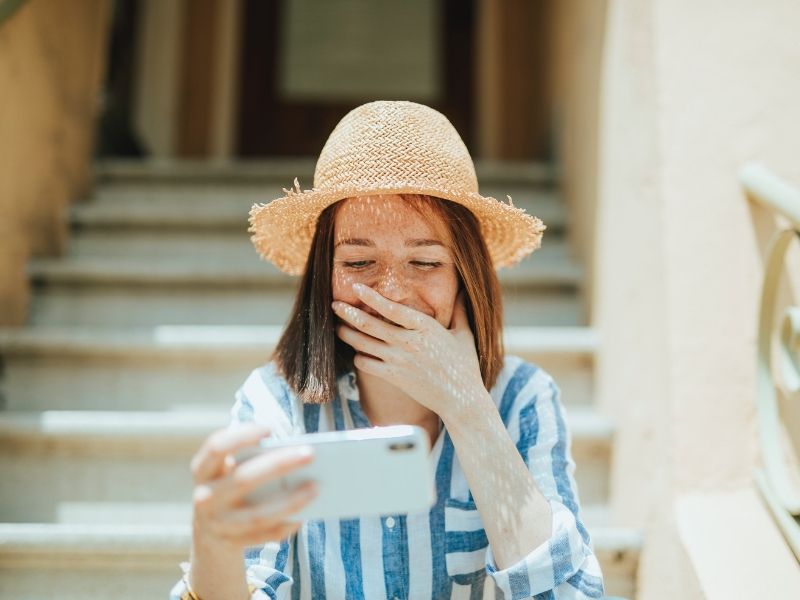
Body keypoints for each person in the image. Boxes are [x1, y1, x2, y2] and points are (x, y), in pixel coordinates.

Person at [170, 100, 605, 600]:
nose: (392, 292)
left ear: (467, 277)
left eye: (423, 262)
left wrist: (467, 407)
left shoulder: (523, 398)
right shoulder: (276, 404)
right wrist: (214, 542)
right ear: (323, 277)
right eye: (358, 262)